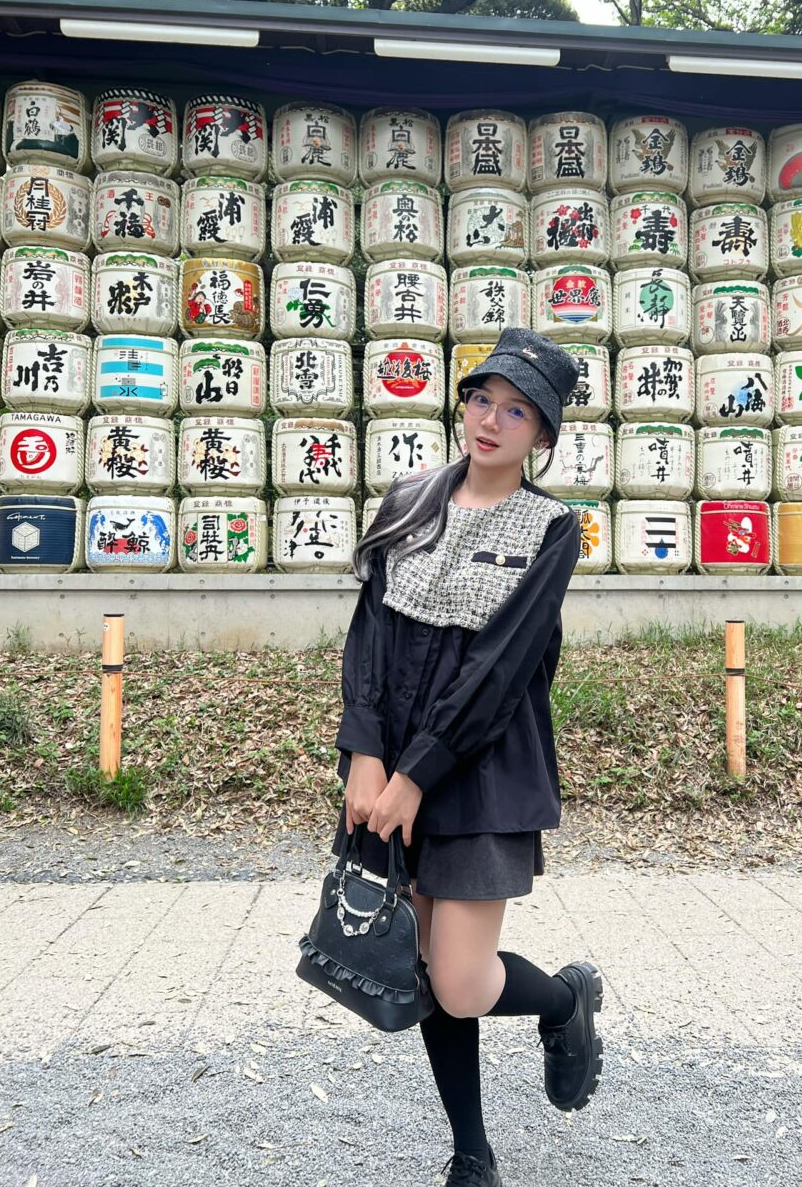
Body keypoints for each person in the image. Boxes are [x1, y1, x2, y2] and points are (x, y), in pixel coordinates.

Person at [331, 327, 604, 1186]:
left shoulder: (552, 528)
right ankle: (472, 1153)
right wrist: (364, 753)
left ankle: (564, 1000)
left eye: (516, 411)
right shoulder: (410, 499)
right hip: (390, 760)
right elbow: (369, 633)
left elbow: (502, 667)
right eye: (482, 399)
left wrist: (418, 772)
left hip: (482, 767)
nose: (490, 421)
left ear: (543, 434)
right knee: (420, 962)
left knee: (459, 979)